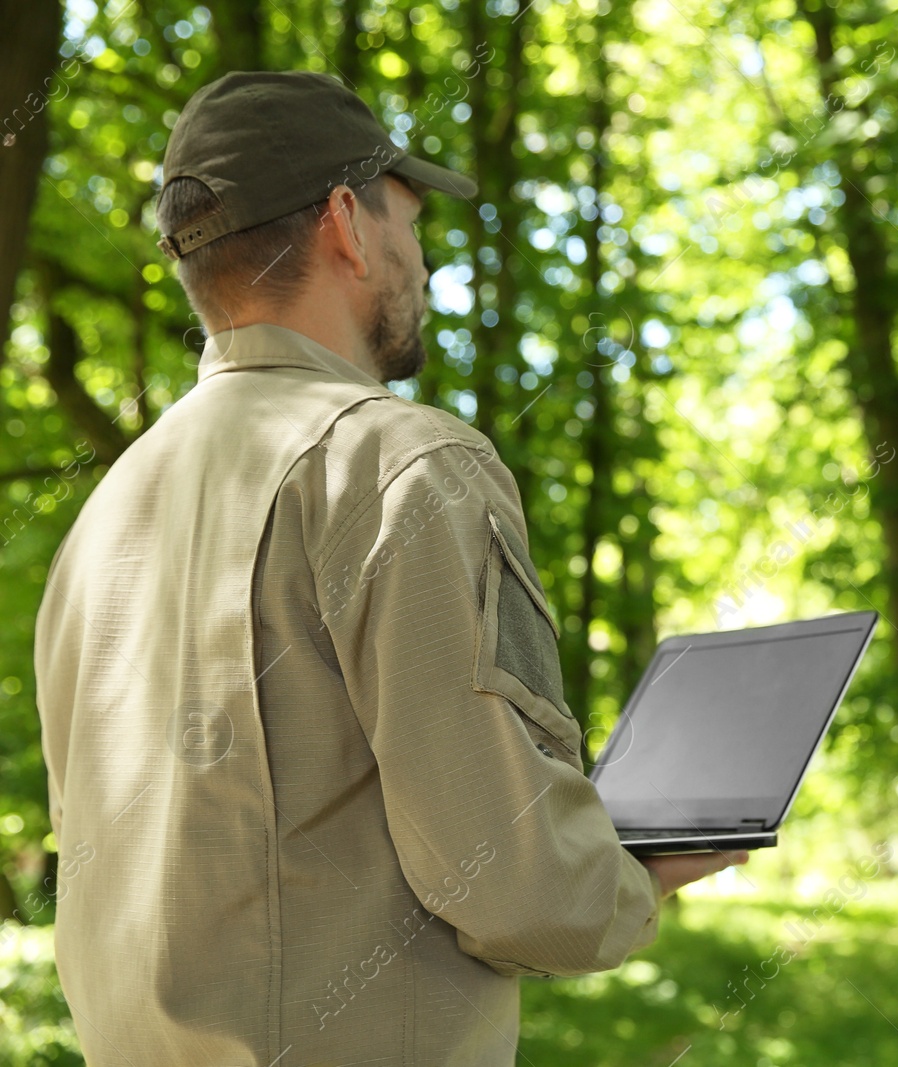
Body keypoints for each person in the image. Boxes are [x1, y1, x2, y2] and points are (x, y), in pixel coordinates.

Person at [32, 70, 742, 1067]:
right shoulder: (401, 464)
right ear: (346, 225)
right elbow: (517, 884)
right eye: (408, 221)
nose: (421, 260)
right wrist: (635, 872)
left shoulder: (107, 513)